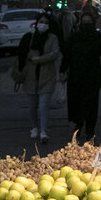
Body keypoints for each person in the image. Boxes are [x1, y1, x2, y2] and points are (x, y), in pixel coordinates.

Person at [61, 9, 101, 142]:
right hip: (76, 75)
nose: (86, 24)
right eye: (84, 22)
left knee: (92, 104)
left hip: (92, 76)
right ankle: (78, 126)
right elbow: (67, 55)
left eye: (89, 22)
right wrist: (62, 70)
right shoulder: (75, 37)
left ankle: (90, 130)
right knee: (76, 102)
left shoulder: (97, 38)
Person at [18, 12, 62, 145]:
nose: (43, 25)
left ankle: (43, 131)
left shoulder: (53, 38)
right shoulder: (30, 38)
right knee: (32, 105)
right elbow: (22, 53)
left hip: (47, 75)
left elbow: (54, 53)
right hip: (31, 76)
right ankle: (34, 127)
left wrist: (40, 59)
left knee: (43, 106)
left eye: (46, 23)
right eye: (41, 22)